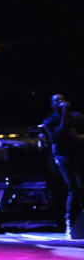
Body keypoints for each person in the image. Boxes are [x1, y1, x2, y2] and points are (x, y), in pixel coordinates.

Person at [41, 94, 84, 236]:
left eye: (62, 99)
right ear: (52, 105)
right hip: (63, 156)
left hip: (80, 154)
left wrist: (79, 137)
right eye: (56, 101)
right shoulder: (49, 121)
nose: (60, 102)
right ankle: (70, 224)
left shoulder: (78, 116)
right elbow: (60, 134)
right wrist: (64, 113)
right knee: (73, 187)